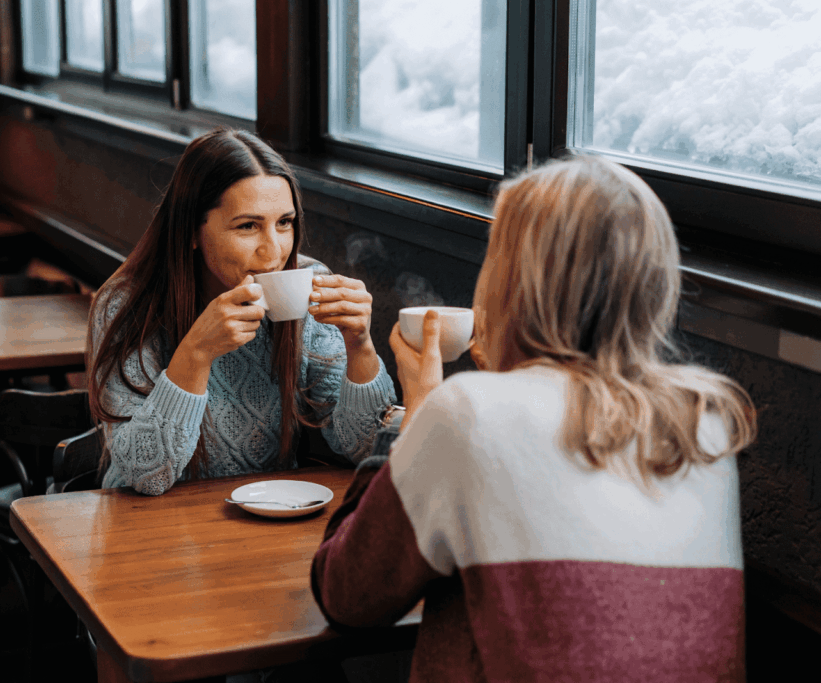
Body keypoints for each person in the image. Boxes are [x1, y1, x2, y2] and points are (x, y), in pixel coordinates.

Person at [311, 155, 757, 682]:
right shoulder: (705, 424)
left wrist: (418, 413)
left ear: (514, 281)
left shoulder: (469, 414)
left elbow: (347, 595)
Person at [87, 128, 396, 494]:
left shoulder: (309, 287)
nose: (274, 252)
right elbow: (146, 475)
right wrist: (196, 353)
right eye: (248, 226)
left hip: (269, 518)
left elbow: (366, 449)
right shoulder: (127, 306)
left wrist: (360, 345)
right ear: (190, 231)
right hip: (145, 524)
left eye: (284, 223)